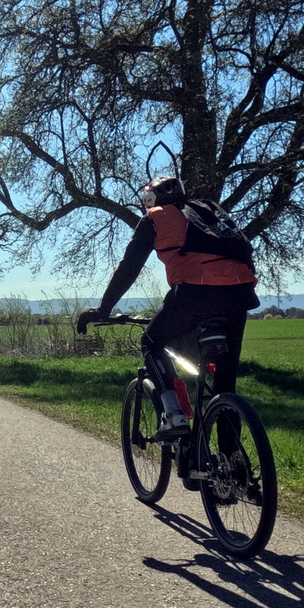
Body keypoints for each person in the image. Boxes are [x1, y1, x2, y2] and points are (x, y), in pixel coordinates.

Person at [75, 176, 258, 440]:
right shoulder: (210, 210)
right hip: (240, 295)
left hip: (194, 294)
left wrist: (104, 309)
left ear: (151, 200)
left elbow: (129, 266)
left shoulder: (155, 217)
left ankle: (174, 415)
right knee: (225, 386)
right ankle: (231, 468)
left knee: (151, 342)